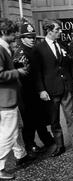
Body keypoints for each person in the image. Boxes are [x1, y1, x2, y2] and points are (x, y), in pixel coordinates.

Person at [34, 20, 73, 158]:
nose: (61, 32)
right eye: (57, 29)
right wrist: (41, 90)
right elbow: (37, 72)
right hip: (50, 91)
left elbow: (72, 65)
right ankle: (60, 145)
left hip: (66, 88)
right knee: (54, 120)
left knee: (71, 117)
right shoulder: (39, 49)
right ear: (49, 31)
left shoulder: (63, 46)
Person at [13, 20, 54, 156]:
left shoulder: (34, 50)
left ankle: (46, 139)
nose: (32, 40)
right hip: (25, 92)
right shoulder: (20, 53)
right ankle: (30, 145)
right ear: (22, 38)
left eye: (33, 37)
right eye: (29, 37)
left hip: (36, 90)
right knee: (29, 120)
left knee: (40, 117)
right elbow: (23, 76)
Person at [0, 18, 34, 180]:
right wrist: (18, 72)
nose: (15, 36)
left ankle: (21, 155)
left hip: (9, 98)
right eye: (12, 33)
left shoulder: (5, 48)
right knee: (9, 134)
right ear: (3, 33)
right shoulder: (0, 49)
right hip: (5, 100)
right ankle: (0, 166)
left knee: (16, 129)